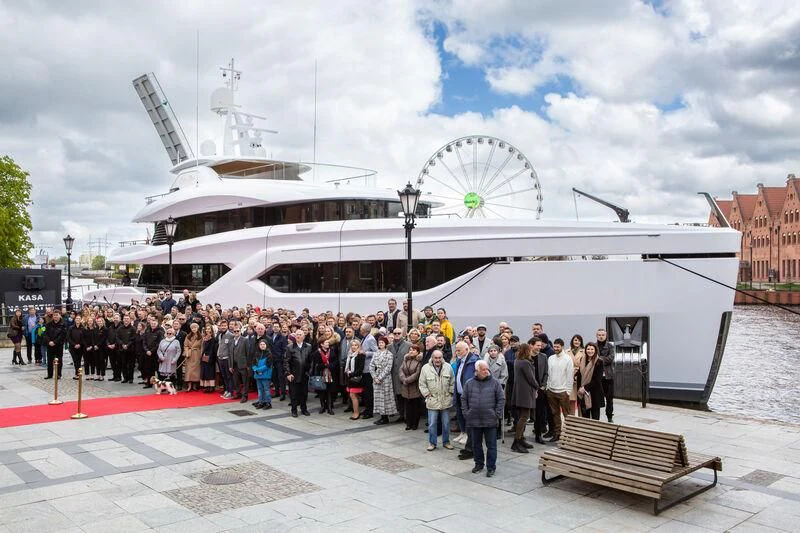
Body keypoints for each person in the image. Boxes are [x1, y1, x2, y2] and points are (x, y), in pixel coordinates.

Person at [462, 360, 505, 477]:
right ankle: (479, 464)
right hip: (474, 420)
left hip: (490, 420)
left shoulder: (495, 383)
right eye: (483, 369)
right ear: (477, 371)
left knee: (491, 446)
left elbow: (501, 399)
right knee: (476, 445)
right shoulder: (469, 383)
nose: (486, 371)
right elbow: (464, 399)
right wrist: (467, 413)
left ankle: (491, 467)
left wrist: (496, 414)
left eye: (487, 369)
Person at [418, 349, 455, 451]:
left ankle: (446, 442)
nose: (438, 360)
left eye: (439, 358)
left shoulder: (448, 367)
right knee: (432, 423)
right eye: (436, 358)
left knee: (446, 423)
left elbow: (453, 381)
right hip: (432, 400)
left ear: (442, 357)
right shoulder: (425, 368)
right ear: (432, 358)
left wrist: (451, 393)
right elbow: (422, 384)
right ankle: (432, 443)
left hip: (445, 400)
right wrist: (426, 394)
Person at [511, 343, 539, 452]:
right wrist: (538, 387)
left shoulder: (517, 361)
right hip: (526, 393)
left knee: (522, 417)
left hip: (519, 393)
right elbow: (531, 379)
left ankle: (521, 439)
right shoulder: (525, 363)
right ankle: (516, 441)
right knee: (524, 417)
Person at [453, 341, 479, 460]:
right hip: (459, 393)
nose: (457, 352)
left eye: (459, 350)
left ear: (466, 349)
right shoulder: (459, 360)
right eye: (456, 350)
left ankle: (469, 440)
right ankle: (463, 433)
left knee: (468, 417)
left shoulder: (474, 361)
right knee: (460, 414)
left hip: (469, 395)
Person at [546, 338, 574, 442]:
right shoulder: (551, 358)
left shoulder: (568, 359)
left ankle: (568, 435)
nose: (556, 348)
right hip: (551, 391)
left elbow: (569, 376)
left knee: (566, 414)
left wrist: (568, 391)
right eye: (554, 346)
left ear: (562, 346)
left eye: (558, 347)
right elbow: (548, 373)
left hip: (563, 391)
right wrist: (548, 387)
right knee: (555, 414)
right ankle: (557, 434)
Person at [370, 336, 398, 425]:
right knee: (378, 398)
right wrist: (374, 377)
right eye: (379, 343)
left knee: (385, 397)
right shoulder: (376, 353)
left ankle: (386, 417)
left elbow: (388, 368)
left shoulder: (389, 354)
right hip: (376, 377)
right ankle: (382, 416)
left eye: (382, 343)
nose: (380, 344)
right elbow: (371, 366)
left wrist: (380, 378)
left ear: (385, 344)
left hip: (385, 378)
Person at [285, 329, 312, 417]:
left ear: (303, 336)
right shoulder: (290, 347)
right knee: (293, 394)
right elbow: (286, 362)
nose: (298, 336)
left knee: (304, 393)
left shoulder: (308, 346)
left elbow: (311, 361)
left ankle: (304, 409)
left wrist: (309, 372)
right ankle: (294, 410)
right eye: (297, 335)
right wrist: (288, 373)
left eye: (300, 334)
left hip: (304, 374)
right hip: (294, 374)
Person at [398, 343, 424, 430]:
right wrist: (403, 379)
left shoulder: (419, 361)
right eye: (410, 350)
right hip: (406, 387)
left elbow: (417, 373)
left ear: (417, 352)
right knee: (408, 407)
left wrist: (407, 380)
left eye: (413, 350)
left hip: (414, 387)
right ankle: (408, 423)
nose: (411, 351)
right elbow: (401, 370)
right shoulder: (406, 359)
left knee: (415, 407)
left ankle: (415, 424)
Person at [388, 327, 411, 423]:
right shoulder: (389, 346)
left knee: (406, 396)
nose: (397, 335)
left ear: (402, 334)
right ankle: (401, 415)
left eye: (399, 333)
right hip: (394, 374)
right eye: (395, 333)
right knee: (398, 396)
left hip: (405, 374)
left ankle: (407, 416)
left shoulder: (408, 345)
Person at [578, 342, 605, 420]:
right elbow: (581, 374)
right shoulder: (582, 360)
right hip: (583, 393)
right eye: (588, 349)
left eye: (592, 349)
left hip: (594, 393)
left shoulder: (599, 361)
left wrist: (585, 388)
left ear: (595, 350)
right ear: (585, 350)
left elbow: (597, 380)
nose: (590, 351)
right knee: (585, 417)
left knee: (595, 417)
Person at [310, 338, 337, 415]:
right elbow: (316, 364)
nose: (328, 344)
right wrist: (324, 365)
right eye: (326, 342)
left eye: (328, 342)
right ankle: (322, 406)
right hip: (321, 373)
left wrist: (330, 366)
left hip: (330, 374)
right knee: (321, 391)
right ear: (322, 344)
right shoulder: (317, 352)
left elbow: (335, 361)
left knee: (329, 390)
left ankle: (329, 407)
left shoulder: (331, 351)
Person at [530, 337, 549, 442]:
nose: (539, 347)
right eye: (537, 345)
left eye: (540, 345)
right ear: (531, 345)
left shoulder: (543, 356)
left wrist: (543, 385)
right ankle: (520, 437)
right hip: (529, 389)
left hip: (540, 388)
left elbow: (546, 372)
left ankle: (538, 435)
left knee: (539, 413)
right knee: (525, 414)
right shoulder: (526, 357)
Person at [596, 328, 616, 422]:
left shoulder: (610, 346)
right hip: (597, 377)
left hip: (608, 376)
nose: (601, 336)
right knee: (596, 398)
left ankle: (609, 417)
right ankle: (596, 417)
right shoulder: (593, 345)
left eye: (602, 335)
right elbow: (591, 359)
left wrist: (599, 359)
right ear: (597, 336)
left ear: (606, 335)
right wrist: (603, 358)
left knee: (609, 399)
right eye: (599, 335)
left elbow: (611, 358)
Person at [230, 322, 252, 402]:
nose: (236, 332)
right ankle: (238, 393)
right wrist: (230, 365)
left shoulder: (245, 340)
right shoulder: (231, 340)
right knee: (236, 380)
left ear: (240, 331)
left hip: (243, 364)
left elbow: (248, 353)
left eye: (237, 331)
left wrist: (248, 365)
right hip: (234, 364)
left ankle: (245, 396)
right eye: (234, 331)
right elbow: (230, 353)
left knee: (245, 381)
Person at [344, 339, 366, 420]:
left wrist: (351, 373)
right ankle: (355, 411)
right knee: (353, 395)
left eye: (355, 345)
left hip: (357, 378)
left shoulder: (361, 355)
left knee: (353, 395)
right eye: (352, 345)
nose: (353, 347)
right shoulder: (350, 354)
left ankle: (356, 412)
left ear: (359, 346)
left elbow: (360, 369)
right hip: (350, 378)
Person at [359, 323, 377, 419]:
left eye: (361, 328)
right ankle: (367, 408)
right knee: (365, 391)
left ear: (365, 330)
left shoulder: (370, 339)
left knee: (369, 391)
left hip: (369, 369)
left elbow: (376, 352)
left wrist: (365, 353)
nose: (360, 329)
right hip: (364, 368)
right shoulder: (364, 338)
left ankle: (370, 411)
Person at [43, 310, 67, 379]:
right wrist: (49, 341)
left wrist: (54, 342)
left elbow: (62, 335)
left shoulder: (63, 324)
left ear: (60, 316)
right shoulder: (48, 324)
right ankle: (49, 375)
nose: (55, 316)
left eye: (57, 315)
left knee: (59, 360)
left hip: (58, 345)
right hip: (49, 345)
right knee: (50, 360)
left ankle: (58, 374)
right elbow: (45, 334)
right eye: (54, 315)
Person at [268, 322, 288, 401]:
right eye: (274, 326)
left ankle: (283, 393)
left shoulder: (282, 338)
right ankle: (277, 392)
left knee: (281, 377)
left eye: (277, 327)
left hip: (280, 360)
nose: (275, 328)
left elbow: (285, 350)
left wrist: (283, 360)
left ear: (279, 328)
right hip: (272, 360)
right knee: (274, 377)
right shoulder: (270, 336)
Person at [251, 338, 273, 409]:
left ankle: (268, 402)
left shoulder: (269, 354)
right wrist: (255, 370)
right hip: (258, 374)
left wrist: (258, 370)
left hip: (265, 374)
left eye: (264, 344)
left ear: (266, 345)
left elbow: (267, 365)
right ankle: (261, 401)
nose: (262, 346)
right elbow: (253, 363)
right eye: (261, 344)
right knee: (260, 389)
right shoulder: (257, 353)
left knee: (266, 389)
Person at [567, 335, 585, 416]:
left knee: (580, 398)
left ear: (581, 342)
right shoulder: (567, 351)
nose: (577, 342)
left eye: (578, 340)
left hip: (580, 375)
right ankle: (572, 418)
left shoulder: (584, 351)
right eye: (575, 340)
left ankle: (581, 418)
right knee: (571, 399)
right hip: (570, 376)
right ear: (572, 341)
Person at [183, 322, 203, 391]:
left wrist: (201, 354)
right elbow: (185, 345)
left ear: (197, 328)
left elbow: (202, 346)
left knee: (196, 370)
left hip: (197, 354)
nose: (193, 329)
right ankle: (189, 386)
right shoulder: (188, 336)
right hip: (189, 355)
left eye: (195, 327)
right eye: (192, 328)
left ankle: (195, 385)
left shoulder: (201, 336)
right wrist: (187, 352)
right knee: (189, 370)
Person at [200, 324, 218, 393]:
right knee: (205, 372)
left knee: (210, 373)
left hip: (210, 357)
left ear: (211, 330)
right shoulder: (204, 338)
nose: (207, 330)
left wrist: (209, 357)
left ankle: (211, 387)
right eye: (207, 329)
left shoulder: (213, 339)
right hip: (204, 357)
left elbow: (212, 349)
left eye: (209, 329)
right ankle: (207, 386)